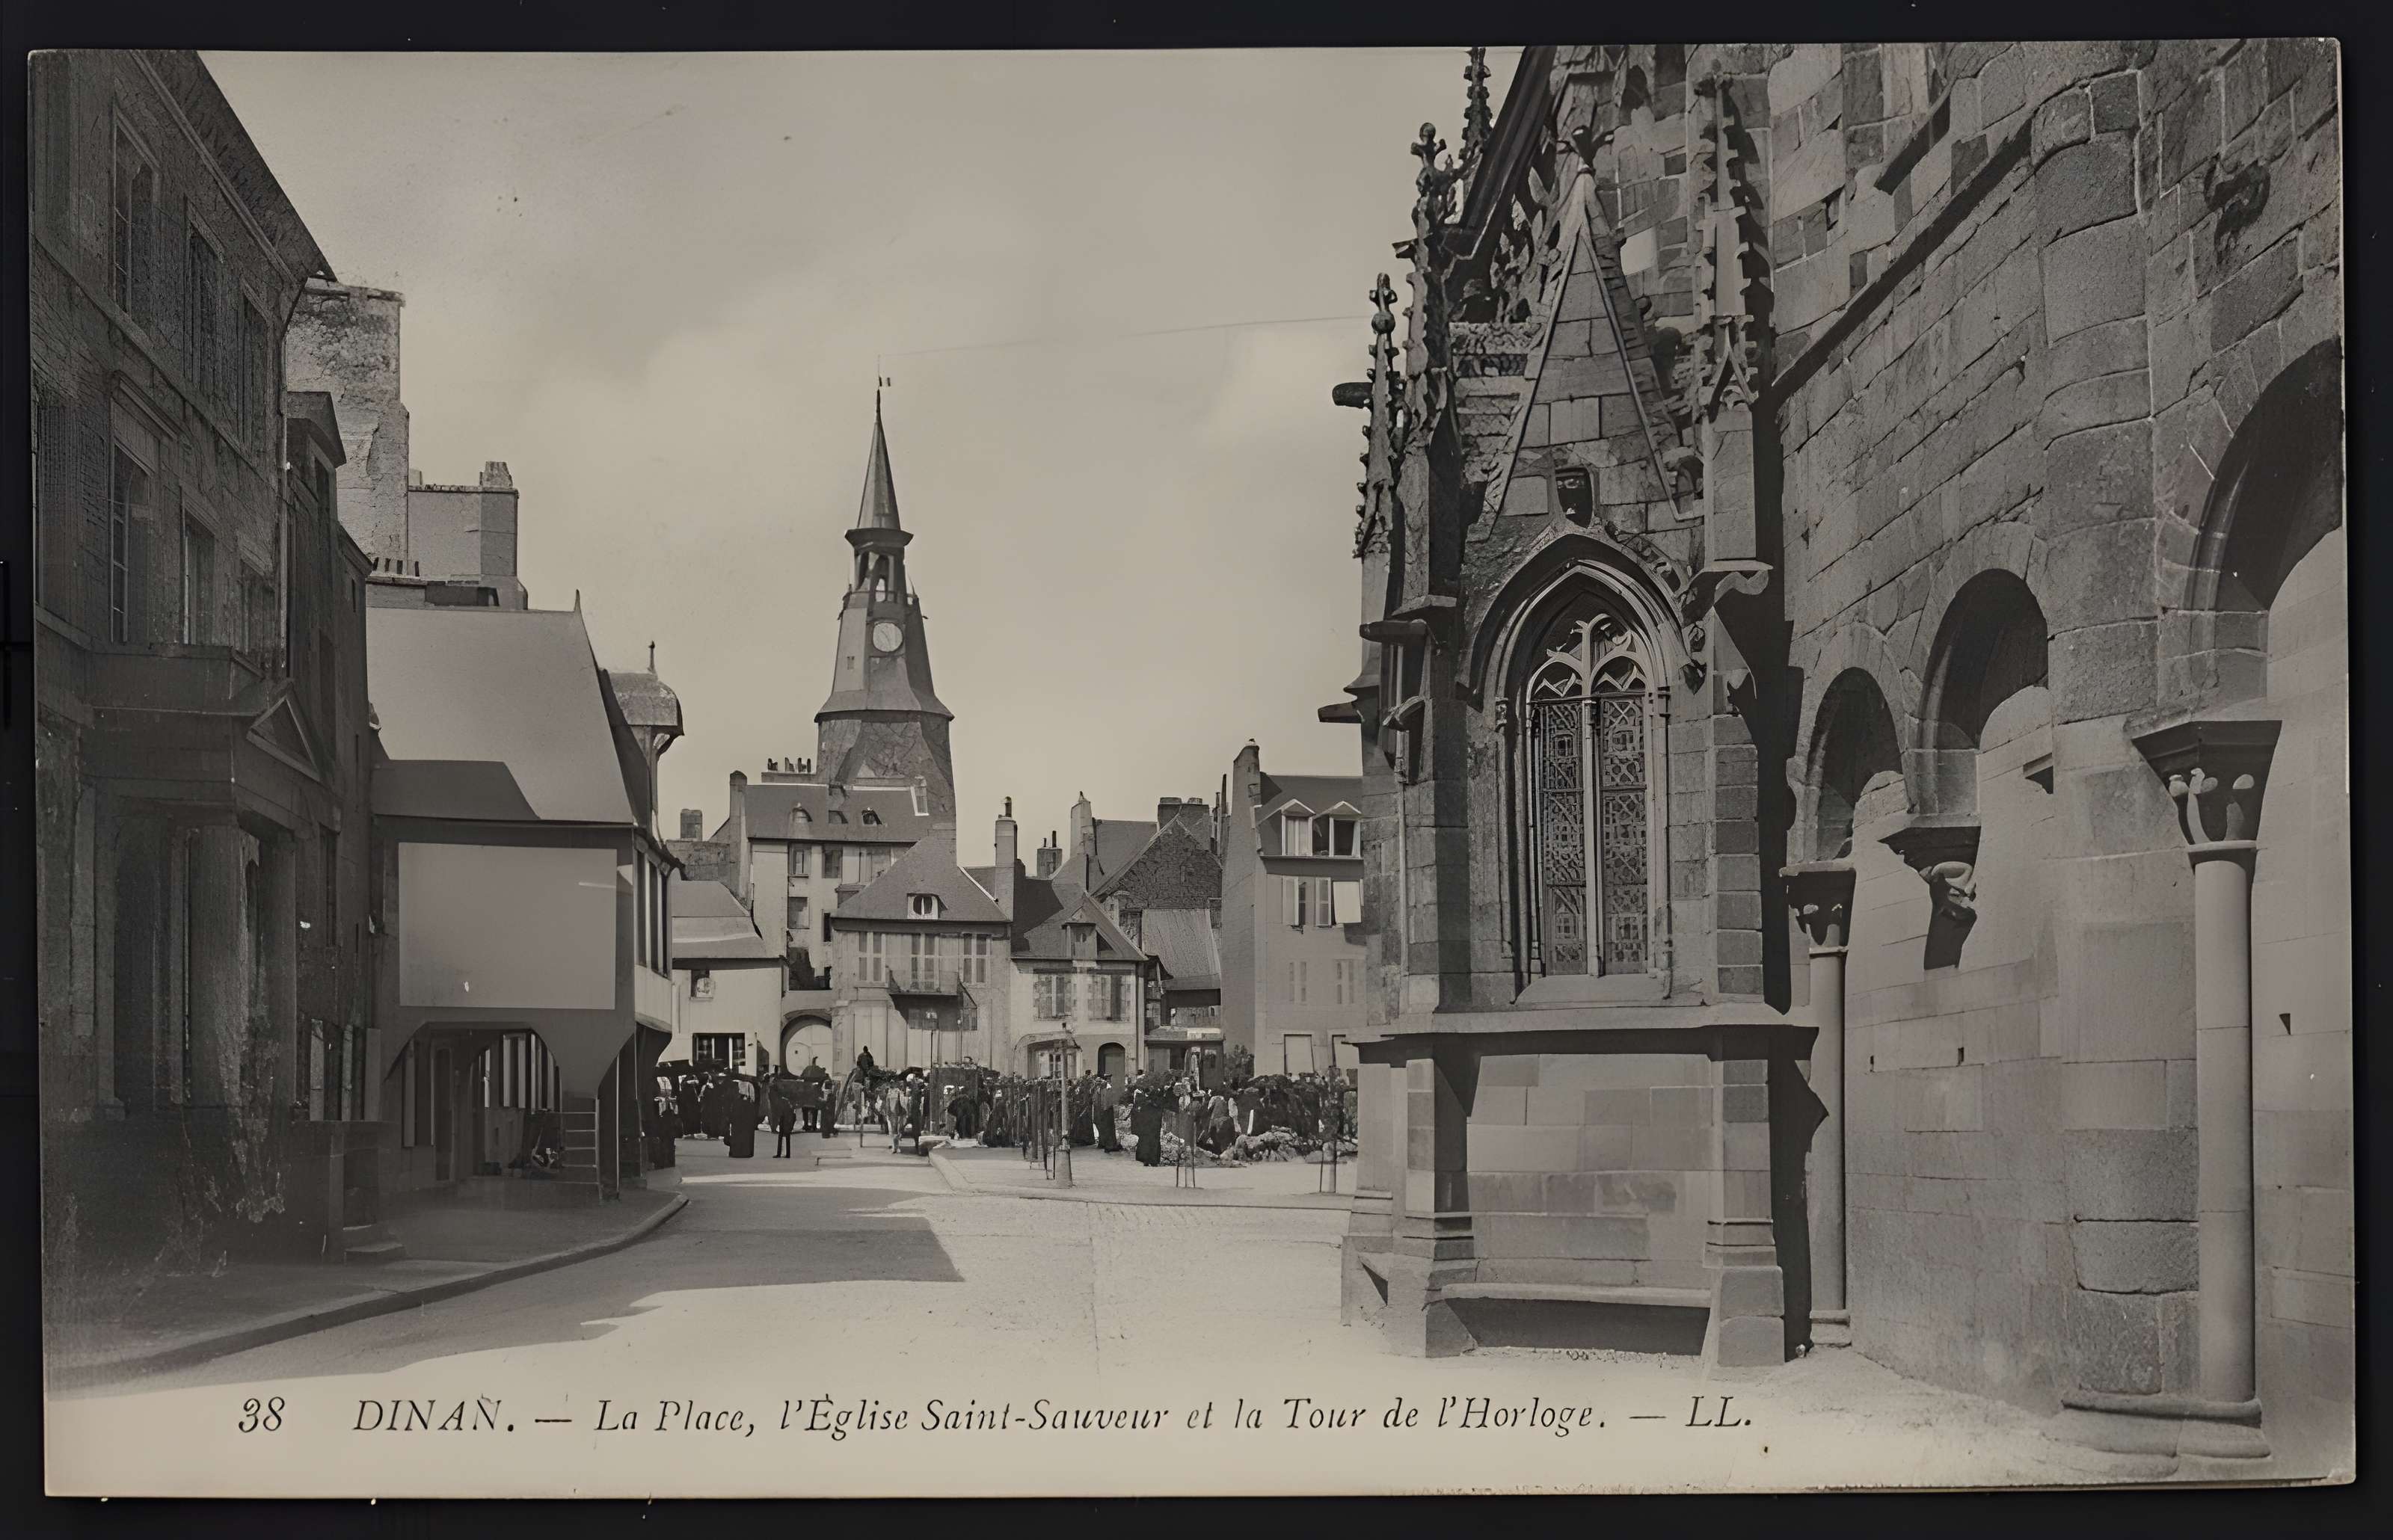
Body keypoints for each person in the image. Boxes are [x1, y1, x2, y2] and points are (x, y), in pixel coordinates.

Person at [799, 1057, 830, 1131]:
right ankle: (814, 1126)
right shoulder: (818, 1072)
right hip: (814, 1096)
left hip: (806, 1095)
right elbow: (824, 1080)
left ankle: (806, 1125)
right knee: (814, 1111)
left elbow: (802, 1078)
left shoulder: (807, 1070)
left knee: (805, 1110)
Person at [769, 1075, 796, 1158]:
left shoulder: (779, 1091)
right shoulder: (784, 1090)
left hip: (784, 1114)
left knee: (782, 1134)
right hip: (787, 1114)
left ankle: (780, 1153)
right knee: (786, 1134)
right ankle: (787, 1153)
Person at [1094, 1074, 1121, 1154]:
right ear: (1108, 1079)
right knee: (1109, 1127)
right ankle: (1110, 1145)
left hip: (1104, 1110)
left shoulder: (1101, 1089)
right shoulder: (1106, 1088)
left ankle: (1108, 1145)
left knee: (1107, 1128)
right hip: (1107, 1110)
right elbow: (1106, 1101)